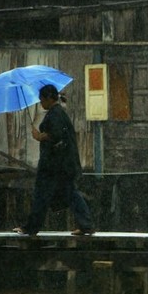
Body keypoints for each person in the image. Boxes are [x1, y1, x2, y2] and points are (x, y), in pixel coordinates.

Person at [13, 84, 94, 236]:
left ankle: (31, 227)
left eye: (42, 99)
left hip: (53, 165)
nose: (41, 103)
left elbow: (55, 135)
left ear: (49, 98)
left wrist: (39, 136)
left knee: (41, 195)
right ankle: (86, 225)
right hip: (61, 164)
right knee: (71, 194)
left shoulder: (55, 113)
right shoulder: (57, 113)